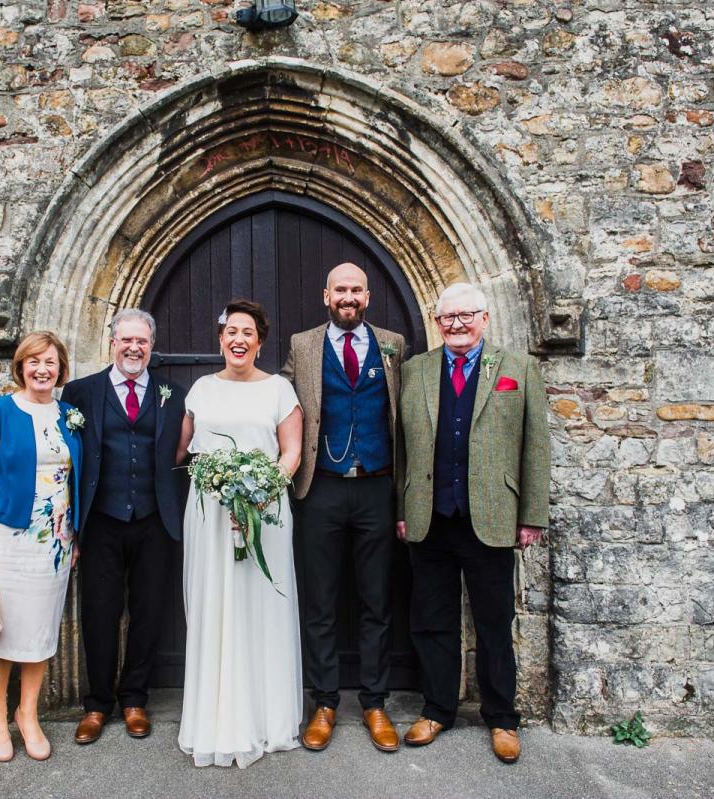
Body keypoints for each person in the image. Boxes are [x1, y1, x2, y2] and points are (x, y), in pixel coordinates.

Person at [396, 282, 550, 764]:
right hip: (430, 516)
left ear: (484, 318)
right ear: (437, 322)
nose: (457, 324)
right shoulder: (415, 370)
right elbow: (402, 447)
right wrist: (402, 509)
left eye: (466, 316)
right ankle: (437, 709)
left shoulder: (517, 368)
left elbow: (536, 445)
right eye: (448, 317)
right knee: (432, 621)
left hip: (493, 515)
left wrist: (532, 515)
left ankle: (502, 718)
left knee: (494, 622)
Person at [280, 262, 406, 753]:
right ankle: (325, 703)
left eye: (356, 290)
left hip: (377, 487)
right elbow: (280, 403)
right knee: (321, 602)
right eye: (340, 290)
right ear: (325, 295)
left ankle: (375, 703)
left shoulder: (393, 344)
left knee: (377, 601)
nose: (348, 297)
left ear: (367, 297)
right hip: (321, 489)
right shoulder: (303, 345)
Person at [175, 299, 304, 769]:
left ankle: (266, 716)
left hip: (264, 512)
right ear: (220, 338)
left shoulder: (280, 391)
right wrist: (214, 482)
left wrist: (261, 493)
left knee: (260, 604)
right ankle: (216, 717)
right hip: (210, 514)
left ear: (260, 342)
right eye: (231, 331)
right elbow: (182, 450)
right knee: (215, 603)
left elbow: (291, 453)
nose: (239, 339)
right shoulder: (201, 389)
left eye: (248, 332)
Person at [60, 309, 187, 744]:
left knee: (149, 611)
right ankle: (97, 705)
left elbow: (182, 451)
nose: (134, 348)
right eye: (127, 340)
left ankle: (135, 699)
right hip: (101, 520)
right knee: (99, 611)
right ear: (112, 343)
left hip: (155, 519)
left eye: (142, 341)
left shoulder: (174, 394)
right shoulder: (80, 392)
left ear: (152, 346)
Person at [0, 331, 84, 763]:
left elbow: (77, 478)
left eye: (50, 362)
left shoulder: (69, 414)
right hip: (6, 536)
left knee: (40, 628)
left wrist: (77, 535)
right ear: (21, 366)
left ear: (61, 368)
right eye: (34, 361)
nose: (42, 369)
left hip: (56, 541)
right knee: (0, 627)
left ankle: (27, 714)